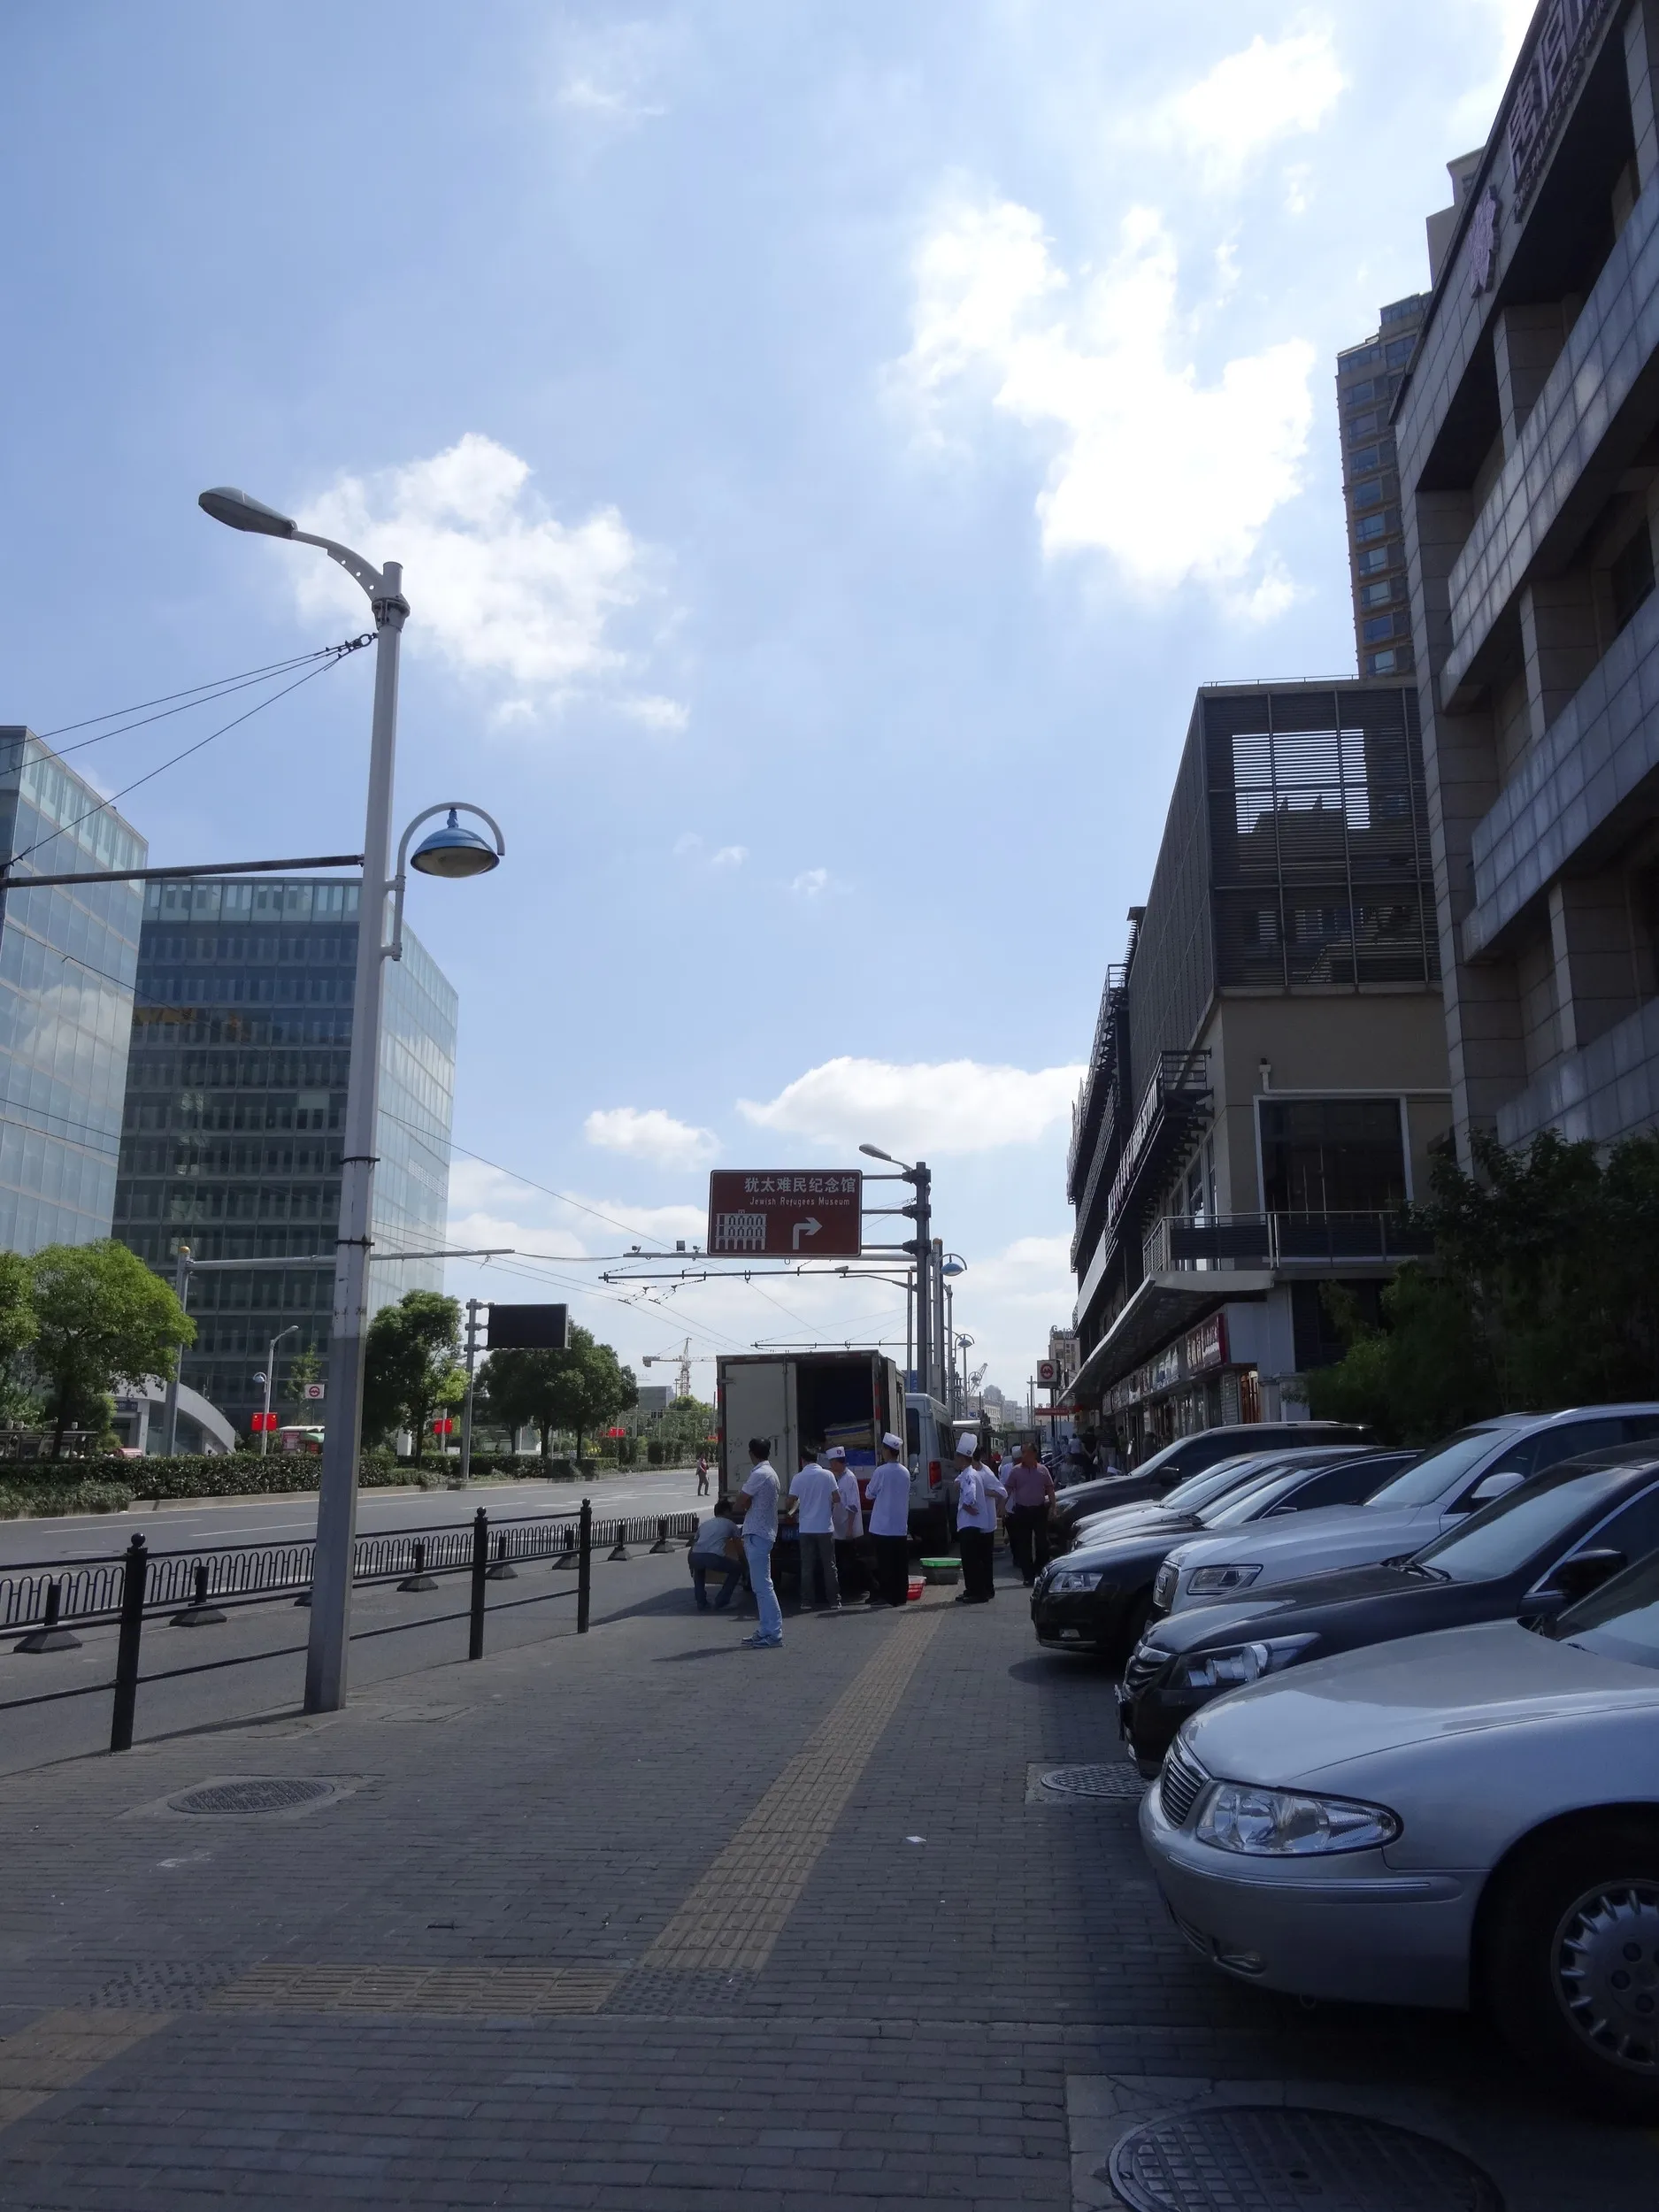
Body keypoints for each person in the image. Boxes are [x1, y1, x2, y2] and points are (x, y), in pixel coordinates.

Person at [739, 1437, 783, 1647]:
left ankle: (773, 1633)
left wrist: (744, 1503)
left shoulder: (760, 1473)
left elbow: (741, 1499)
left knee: (763, 1586)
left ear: (751, 1453)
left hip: (758, 1533)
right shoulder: (770, 1473)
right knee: (761, 1586)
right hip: (763, 1532)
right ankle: (766, 1629)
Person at [952, 1432, 1005, 1604]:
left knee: (973, 1561)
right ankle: (973, 1590)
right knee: (971, 1560)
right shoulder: (969, 1472)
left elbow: (971, 1495)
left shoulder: (971, 1474)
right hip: (971, 1523)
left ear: (963, 1458)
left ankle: (979, 1592)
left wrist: (967, 1505)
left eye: (957, 1456)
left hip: (971, 1524)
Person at [788, 1444, 841, 1614]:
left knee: (807, 1566)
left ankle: (807, 1602)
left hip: (806, 1528)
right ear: (817, 1459)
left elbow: (790, 1501)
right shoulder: (828, 1475)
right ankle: (834, 1601)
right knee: (829, 1565)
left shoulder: (798, 1478)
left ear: (802, 1460)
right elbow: (837, 1498)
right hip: (825, 1527)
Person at [864, 1433, 911, 1607]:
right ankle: (900, 1596)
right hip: (899, 1526)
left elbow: (869, 1494)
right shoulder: (905, 1472)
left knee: (884, 1564)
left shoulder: (881, 1472)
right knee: (900, 1564)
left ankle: (886, 1596)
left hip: (882, 1526)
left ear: (887, 1451)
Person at [1002, 1442, 1056, 1586]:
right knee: (1023, 1544)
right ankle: (1028, 1576)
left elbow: (1050, 1489)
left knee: (1042, 1543)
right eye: (1023, 1452)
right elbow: (1008, 1489)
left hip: (1039, 1510)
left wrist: (1054, 1507)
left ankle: (1039, 1569)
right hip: (1022, 1510)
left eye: (1026, 1452)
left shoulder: (1043, 1470)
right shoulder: (1016, 1471)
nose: (1024, 1455)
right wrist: (1001, 1506)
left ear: (1034, 1453)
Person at [687, 1496, 742, 1610]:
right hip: (712, 1557)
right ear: (726, 1511)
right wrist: (744, 1563)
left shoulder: (704, 1524)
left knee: (699, 1571)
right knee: (737, 1569)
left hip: (695, 1555)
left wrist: (690, 1564)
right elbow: (739, 1547)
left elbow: (694, 1544)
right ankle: (722, 1601)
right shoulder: (731, 1524)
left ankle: (701, 1603)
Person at [828, 1444, 865, 1601]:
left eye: (832, 1463)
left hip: (847, 1528)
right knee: (842, 1560)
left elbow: (852, 1506)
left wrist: (850, 1528)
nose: (831, 1466)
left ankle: (853, 1589)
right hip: (839, 1528)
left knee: (848, 1561)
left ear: (838, 1463)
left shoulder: (849, 1478)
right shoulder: (838, 1478)